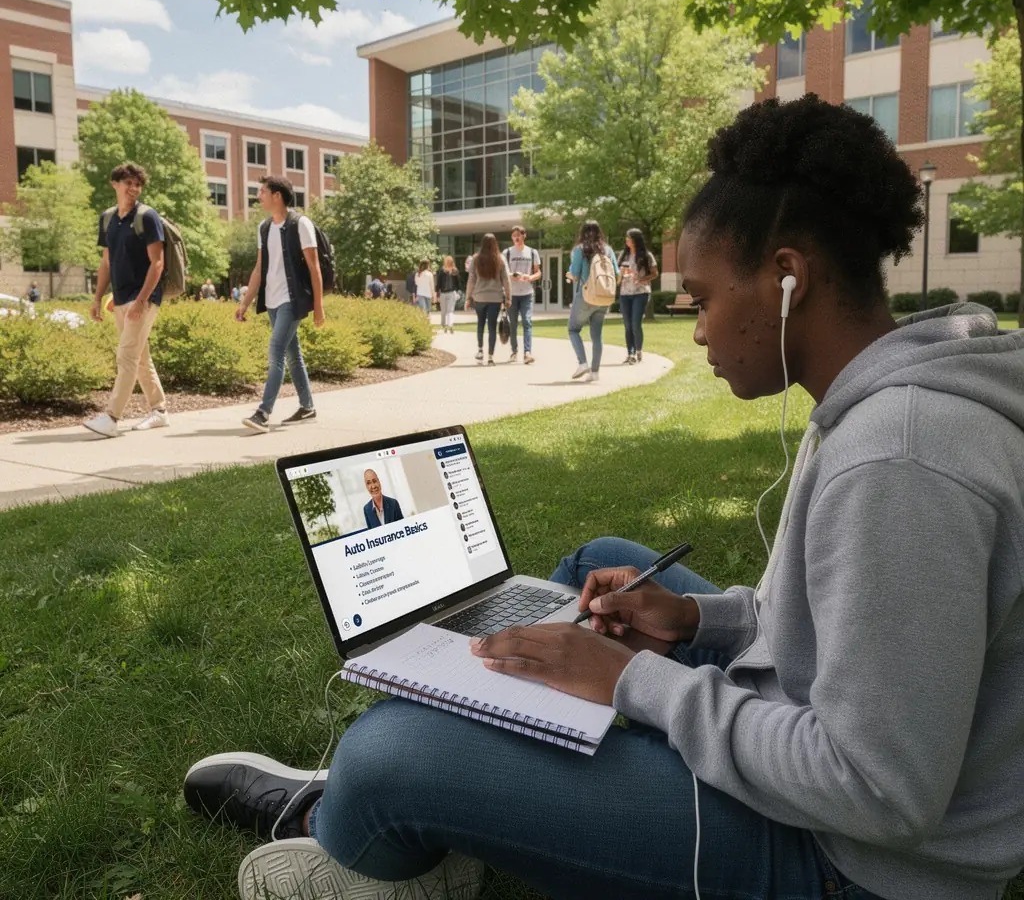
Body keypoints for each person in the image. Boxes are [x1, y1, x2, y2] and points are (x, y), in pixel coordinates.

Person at [185, 94, 1024, 900]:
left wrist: (632, 682)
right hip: (812, 766)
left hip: (842, 864)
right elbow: (827, 624)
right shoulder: (874, 406)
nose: (694, 329)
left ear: (786, 280)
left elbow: (879, 791)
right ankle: (478, 769)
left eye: (700, 299)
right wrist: (698, 622)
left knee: (385, 752)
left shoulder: (901, 460)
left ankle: (359, 816)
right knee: (600, 566)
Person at [84, 162, 169, 437]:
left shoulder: (147, 216)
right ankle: (159, 411)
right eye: (128, 183)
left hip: (143, 298)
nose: (133, 188)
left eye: (137, 184)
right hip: (119, 298)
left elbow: (157, 263)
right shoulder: (107, 218)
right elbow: (106, 262)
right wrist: (97, 299)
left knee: (127, 356)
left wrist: (142, 301)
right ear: (115, 184)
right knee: (140, 357)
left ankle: (111, 418)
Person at [235, 175, 325, 433]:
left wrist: (318, 306)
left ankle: (263, 413)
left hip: (292, 299)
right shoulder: (264, 227)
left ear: (277, 195)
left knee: (275, 352)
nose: (258, 196)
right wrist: (244, 303)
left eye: (262, 191)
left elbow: (314, 266)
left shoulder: (301, 223)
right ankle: (307, 407)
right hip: (272, 300)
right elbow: (259, 268)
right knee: (292, 353)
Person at [566, 219, 619, 383]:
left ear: (582, 233)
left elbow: (574, 274)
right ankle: (595, 372)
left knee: (573, 329)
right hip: (604, 298)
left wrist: (568, 275)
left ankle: (583, 363)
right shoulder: (608, 250)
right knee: (597, 335)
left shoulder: (579, 249)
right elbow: (616, 273)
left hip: (586, 296)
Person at [465, 233, 510, 366]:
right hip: (495, 298)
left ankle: (480, 350)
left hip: (479, 297)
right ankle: (490, 357)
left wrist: (468, 297)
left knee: (480, 323)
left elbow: (471, 279)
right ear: (495, 243)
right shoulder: (500, 259)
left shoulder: (476, 259)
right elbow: (506, 280)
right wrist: (508, 297)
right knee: (492, 327)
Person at [618, 227, 659, 364]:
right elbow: (617, 276)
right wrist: (622, 273)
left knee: (635, 323)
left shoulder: (646, 255)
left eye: (628, 238)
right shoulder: (623, 256)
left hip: (641, 292)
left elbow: (655, 273)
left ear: (635, 240)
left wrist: (641, 279)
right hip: (625, 293)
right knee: (627, 325)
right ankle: (630, 353)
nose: (626, 240)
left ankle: (638, 351)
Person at [502, 225, 540, 364]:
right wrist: (512, 275)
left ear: (524, 235)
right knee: (513, 324)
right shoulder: (506, 252)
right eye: (513, 235)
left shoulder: (532, 252)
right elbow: (502, 272)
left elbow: (538, 272)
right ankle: (514, 351)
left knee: (527, 321)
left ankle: (527, 353)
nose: (516, 238)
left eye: (518, 235)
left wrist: (529, 277)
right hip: (511, 293)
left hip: (527, 293)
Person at [436, 255, 460, 335]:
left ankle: (444, 325)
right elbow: (458, 283)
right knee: (450, 310)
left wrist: (437, 294)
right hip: (452, 293)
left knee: (443, 311)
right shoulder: (455, 271)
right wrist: (458, 291)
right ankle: (450, 325)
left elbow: (438, 283)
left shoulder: (441, 271)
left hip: (443, 293)